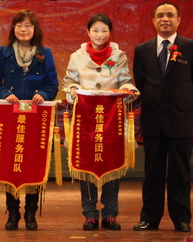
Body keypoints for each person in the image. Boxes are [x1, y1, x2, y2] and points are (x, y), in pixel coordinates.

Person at [132, 2, 193, 233]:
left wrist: (181, 102)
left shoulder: (192, 47)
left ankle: (181, 219)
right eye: (160, 16)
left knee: (180, 173)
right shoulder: (142, 49)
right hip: (152, 119)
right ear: (153, 21)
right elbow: (141, 81)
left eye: (170, 15)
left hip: (180, 119)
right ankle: (149, 219)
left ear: (178, 20)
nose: (165, 19)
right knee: (152, 172)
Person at [63, 14, 139, 231]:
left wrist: (129, 90)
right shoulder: (76, 56)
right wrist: (73, 91)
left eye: (104, 30)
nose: (99, 34)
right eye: (95, 30)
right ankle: (89, 214)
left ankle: (110, 214)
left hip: (112, 119)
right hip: (86, 119)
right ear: (88, 32)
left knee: (112, 164)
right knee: (86, 165)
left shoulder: (119, 55)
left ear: (110, 33)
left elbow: (125, 80)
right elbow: (69, 82)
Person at [0, 9, 59, 231]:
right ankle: (12, 212)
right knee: (12, 162)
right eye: (19, 25)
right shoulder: (4, 52)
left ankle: (30, 212)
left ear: (35, 29)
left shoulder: (44, 53)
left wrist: (44, 95)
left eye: (28, 25)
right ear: (13, 28)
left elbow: (53, 85)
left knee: (33, 162)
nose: (23, 29)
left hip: (36, 117)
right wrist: (4, 95)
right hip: (10, 116)